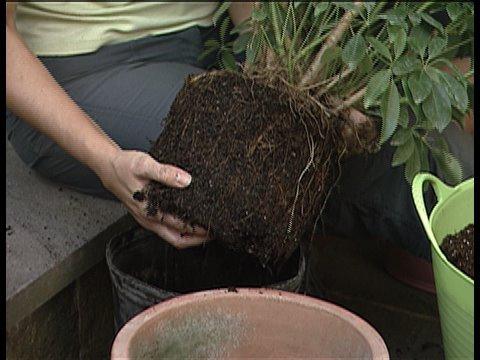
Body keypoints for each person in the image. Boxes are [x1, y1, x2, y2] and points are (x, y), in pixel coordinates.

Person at [6, 2, 473, 264]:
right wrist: (106, 161)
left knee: (402, 139)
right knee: (274, 158)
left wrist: (291, 72)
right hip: (77, 76)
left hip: (209, 43)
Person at [6, 2, 253, 249]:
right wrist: (109, 161)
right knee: (246, 160)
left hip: (212, 36)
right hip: (79, 70)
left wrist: (268, 52)